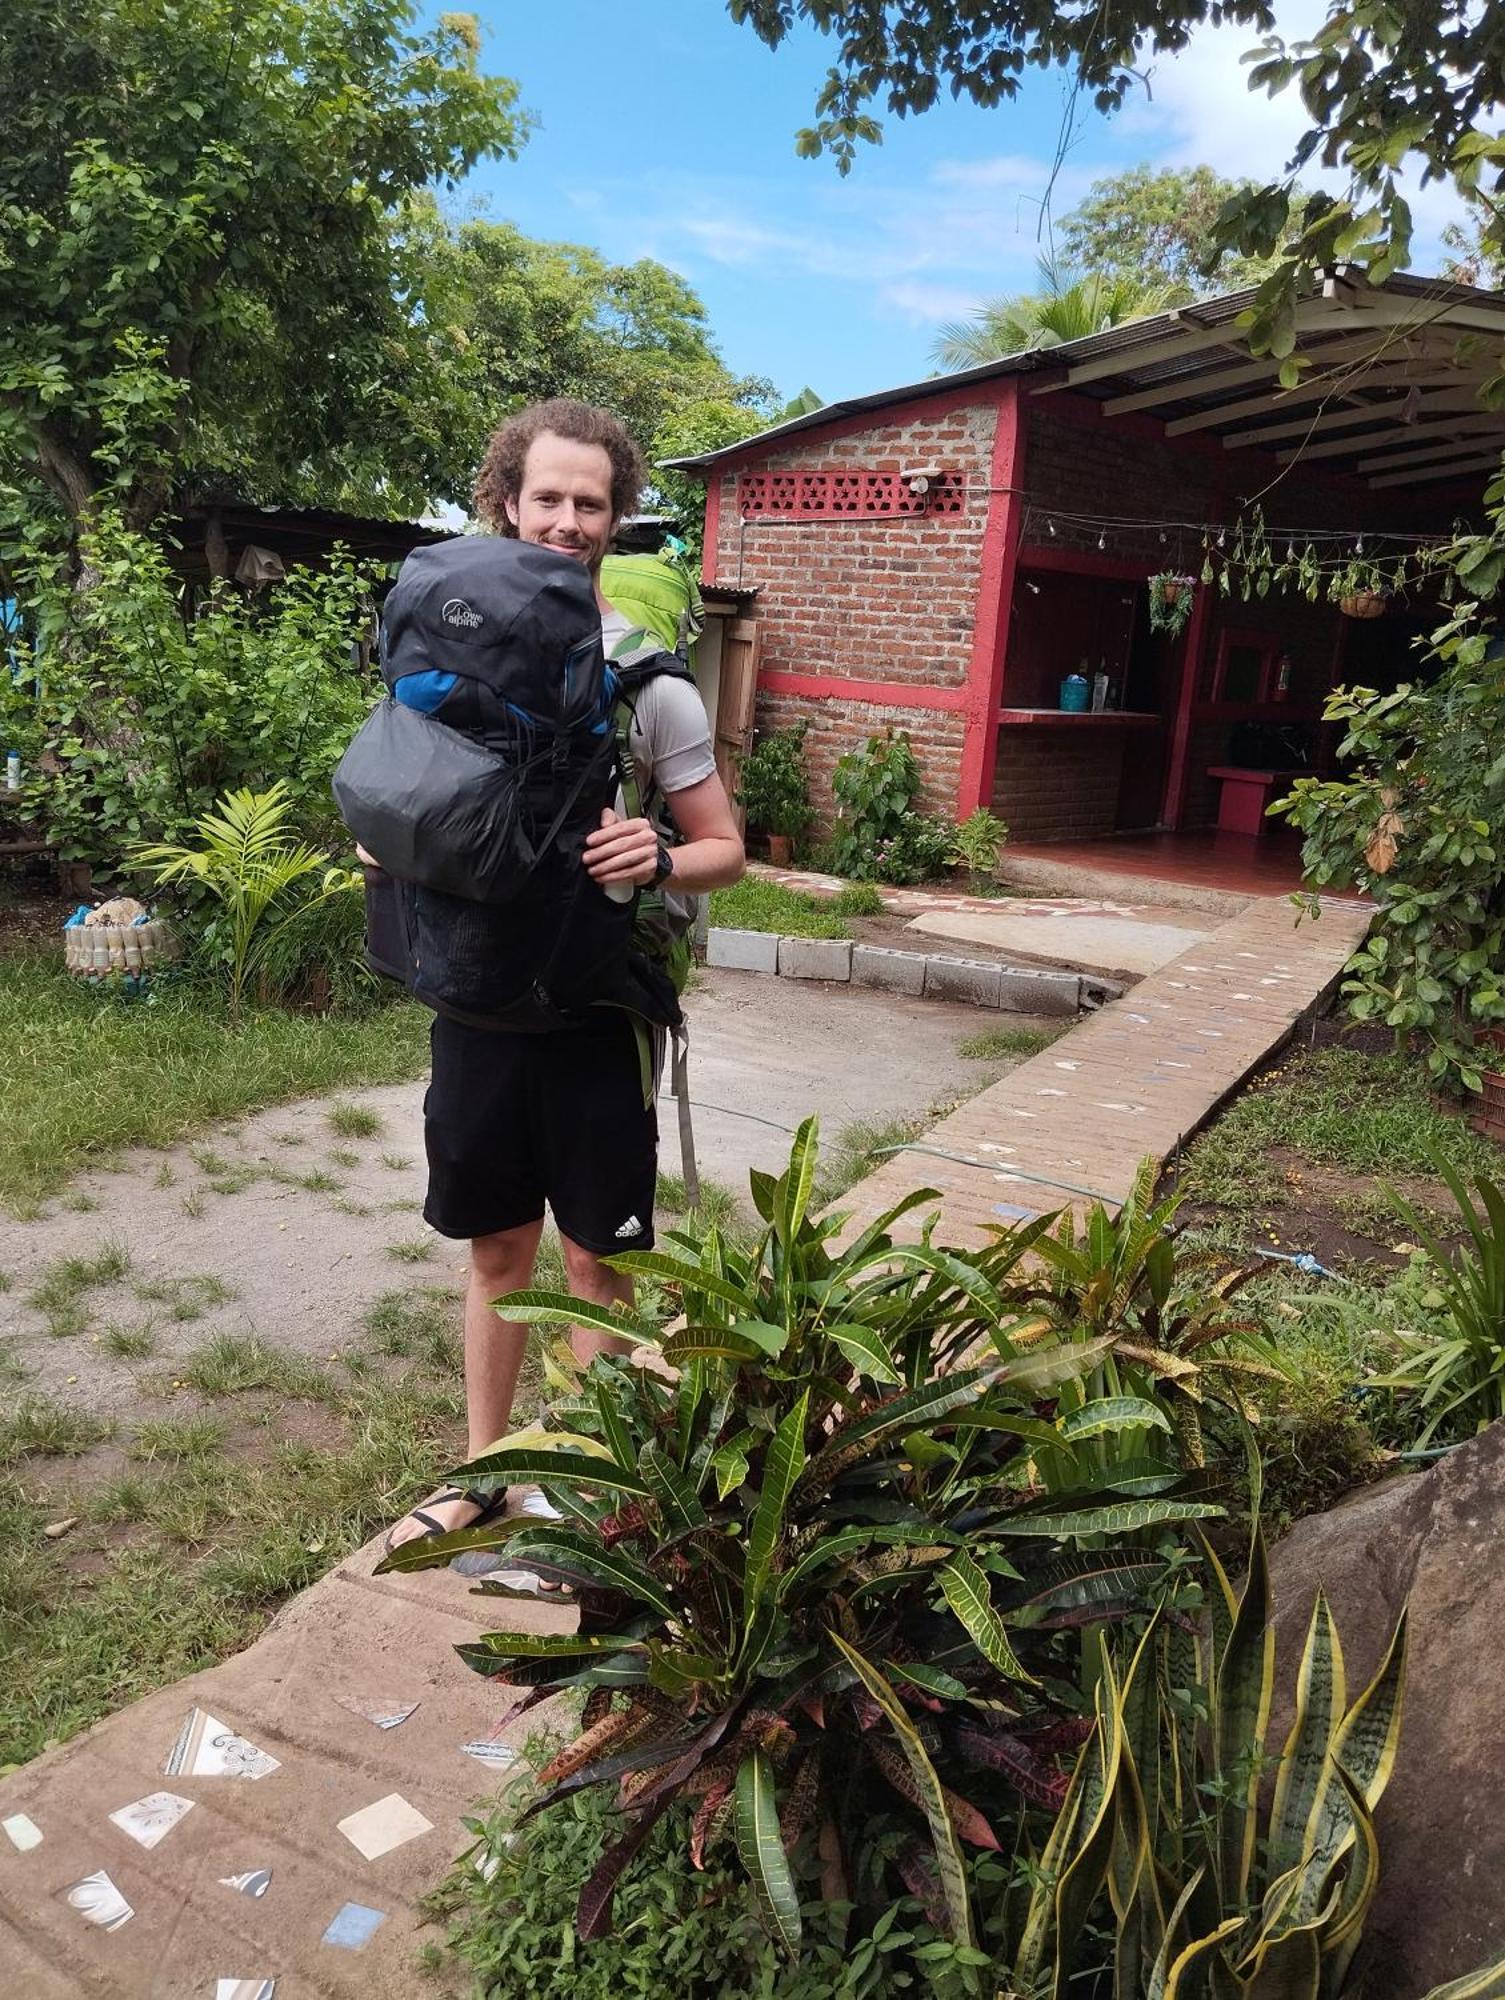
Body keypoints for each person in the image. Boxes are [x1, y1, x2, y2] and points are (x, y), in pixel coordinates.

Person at [386, 399, 744, 1551]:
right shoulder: (442, 663)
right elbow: (387, 803)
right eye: (548, 496)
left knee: (595, 1256)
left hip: (600, 1007)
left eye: (590, 502)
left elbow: (723, 851)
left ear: (614, 517)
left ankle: (590, 1488)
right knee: (499, 1245)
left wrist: (659, 855)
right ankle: (486, 1470)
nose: (567, 519)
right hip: (479, 997)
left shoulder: (653, 685)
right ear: (506, 501)